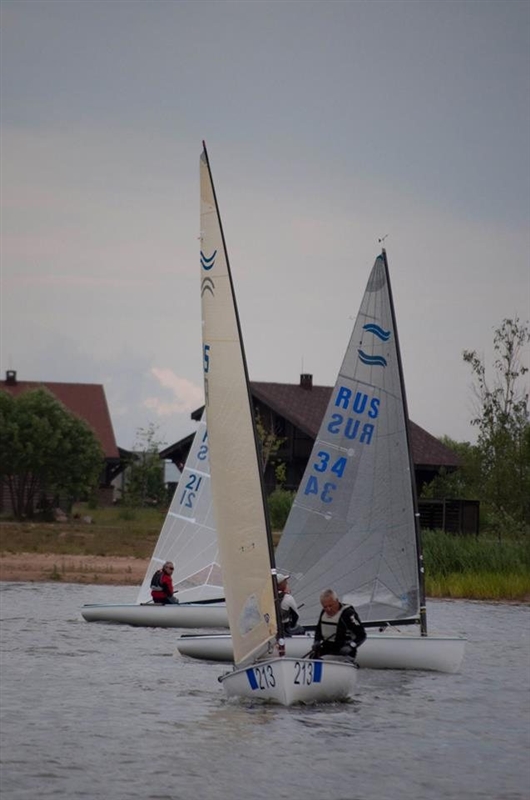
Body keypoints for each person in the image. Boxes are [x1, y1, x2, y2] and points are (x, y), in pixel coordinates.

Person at [310, 588, 366, 662]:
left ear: (336, 601)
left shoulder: (348, 614)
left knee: (323, 660)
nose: (328, 609)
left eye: (330, 605)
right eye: (325, 607)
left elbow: (362, 635)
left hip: (343, 653)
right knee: (311, 658)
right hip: (326, 650)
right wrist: (316, 641)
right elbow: (318, 630)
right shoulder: (323, 612)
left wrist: (351, 646)